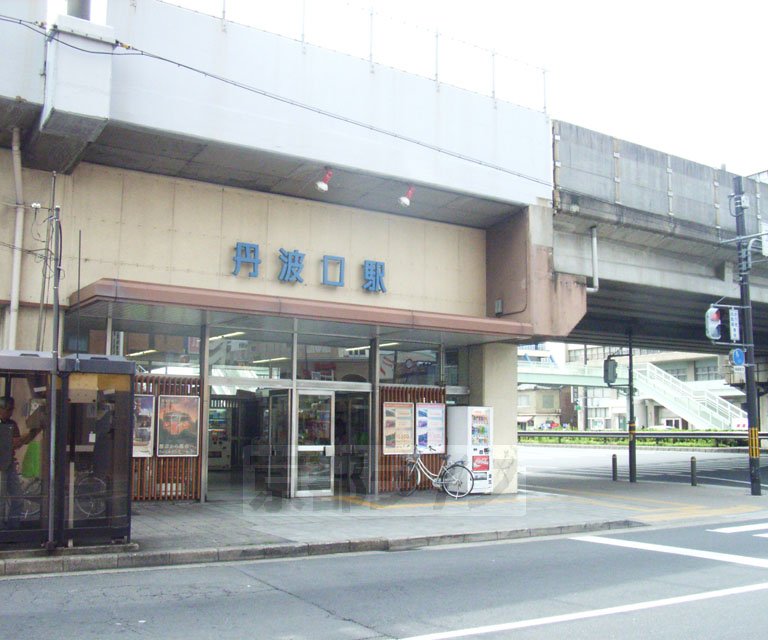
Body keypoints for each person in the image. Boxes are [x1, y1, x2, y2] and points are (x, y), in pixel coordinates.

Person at [0, 396, 41, 530]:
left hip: (8, 463)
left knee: (17, 496)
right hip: (2, 464)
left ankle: (13, 527)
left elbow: (18, 442)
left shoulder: (11, 424)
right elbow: (15, 442)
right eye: (7, 409)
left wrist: (33, 432)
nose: (10, 412)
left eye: (11, 409)